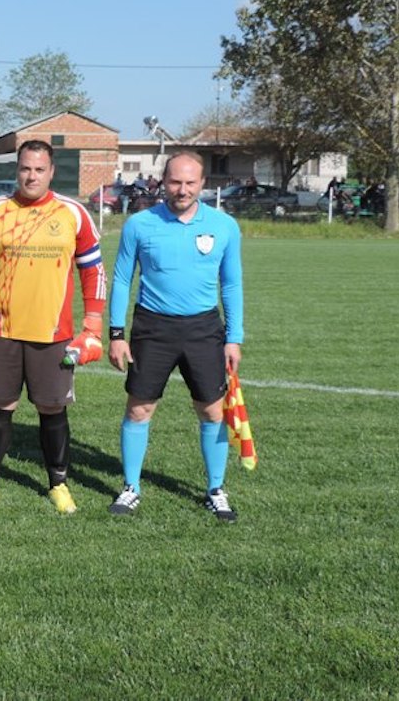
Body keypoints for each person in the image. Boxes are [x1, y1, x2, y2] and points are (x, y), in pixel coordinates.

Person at [0, 140, 106, 514]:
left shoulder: (73, 213)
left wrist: (92, 328)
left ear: (51, 172)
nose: (31, 176)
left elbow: (93, 270)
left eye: (39, 169)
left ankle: (58, 484)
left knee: (52, 408)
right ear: (16, 170)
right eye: (25, 168)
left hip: (54, 335)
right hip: (0, 330)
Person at [106, 152, 244, 522]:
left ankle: (216, 489)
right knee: (139, 408)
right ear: (162, 181)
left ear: (203, 184)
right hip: (152, 329)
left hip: (204, 330)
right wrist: (116, 334)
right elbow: (122, 279)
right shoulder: (139, 224)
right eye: (175, 182)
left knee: (212, 410)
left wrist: (234, 337)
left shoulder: (224, 226)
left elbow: (231, 284)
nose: (182, 190)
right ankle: (131, 487)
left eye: (190, 183)